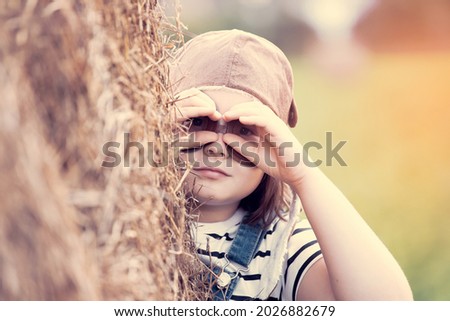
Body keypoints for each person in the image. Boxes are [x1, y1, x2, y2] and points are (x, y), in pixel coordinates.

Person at [170, 29, 413, 301]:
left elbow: (390, 307)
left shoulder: (283, 248)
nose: (216, 147)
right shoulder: (124, 215)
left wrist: (304, 176)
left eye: (245, 130)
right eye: (196, 121)